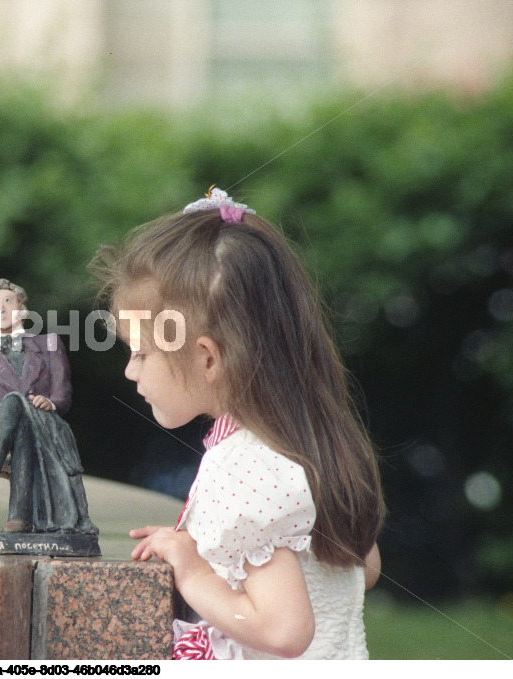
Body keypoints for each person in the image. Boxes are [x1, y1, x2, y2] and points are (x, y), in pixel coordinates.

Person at [91, 188, 384, 659]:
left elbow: (284, 631)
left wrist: (194, 572)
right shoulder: (316, 441)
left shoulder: (243, 467)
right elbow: (359, 572)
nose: (130, 370)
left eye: (140, 352)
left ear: (207, 357)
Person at [0, 278, 96, 534]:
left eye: (8, 301)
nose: (1, 309)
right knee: (18, 418)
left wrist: (50, 402)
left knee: (14, 400)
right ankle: (18, 519)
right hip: (15, 432)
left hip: (47, 425)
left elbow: (63, 392)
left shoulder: (49, 344)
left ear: (22, 309)